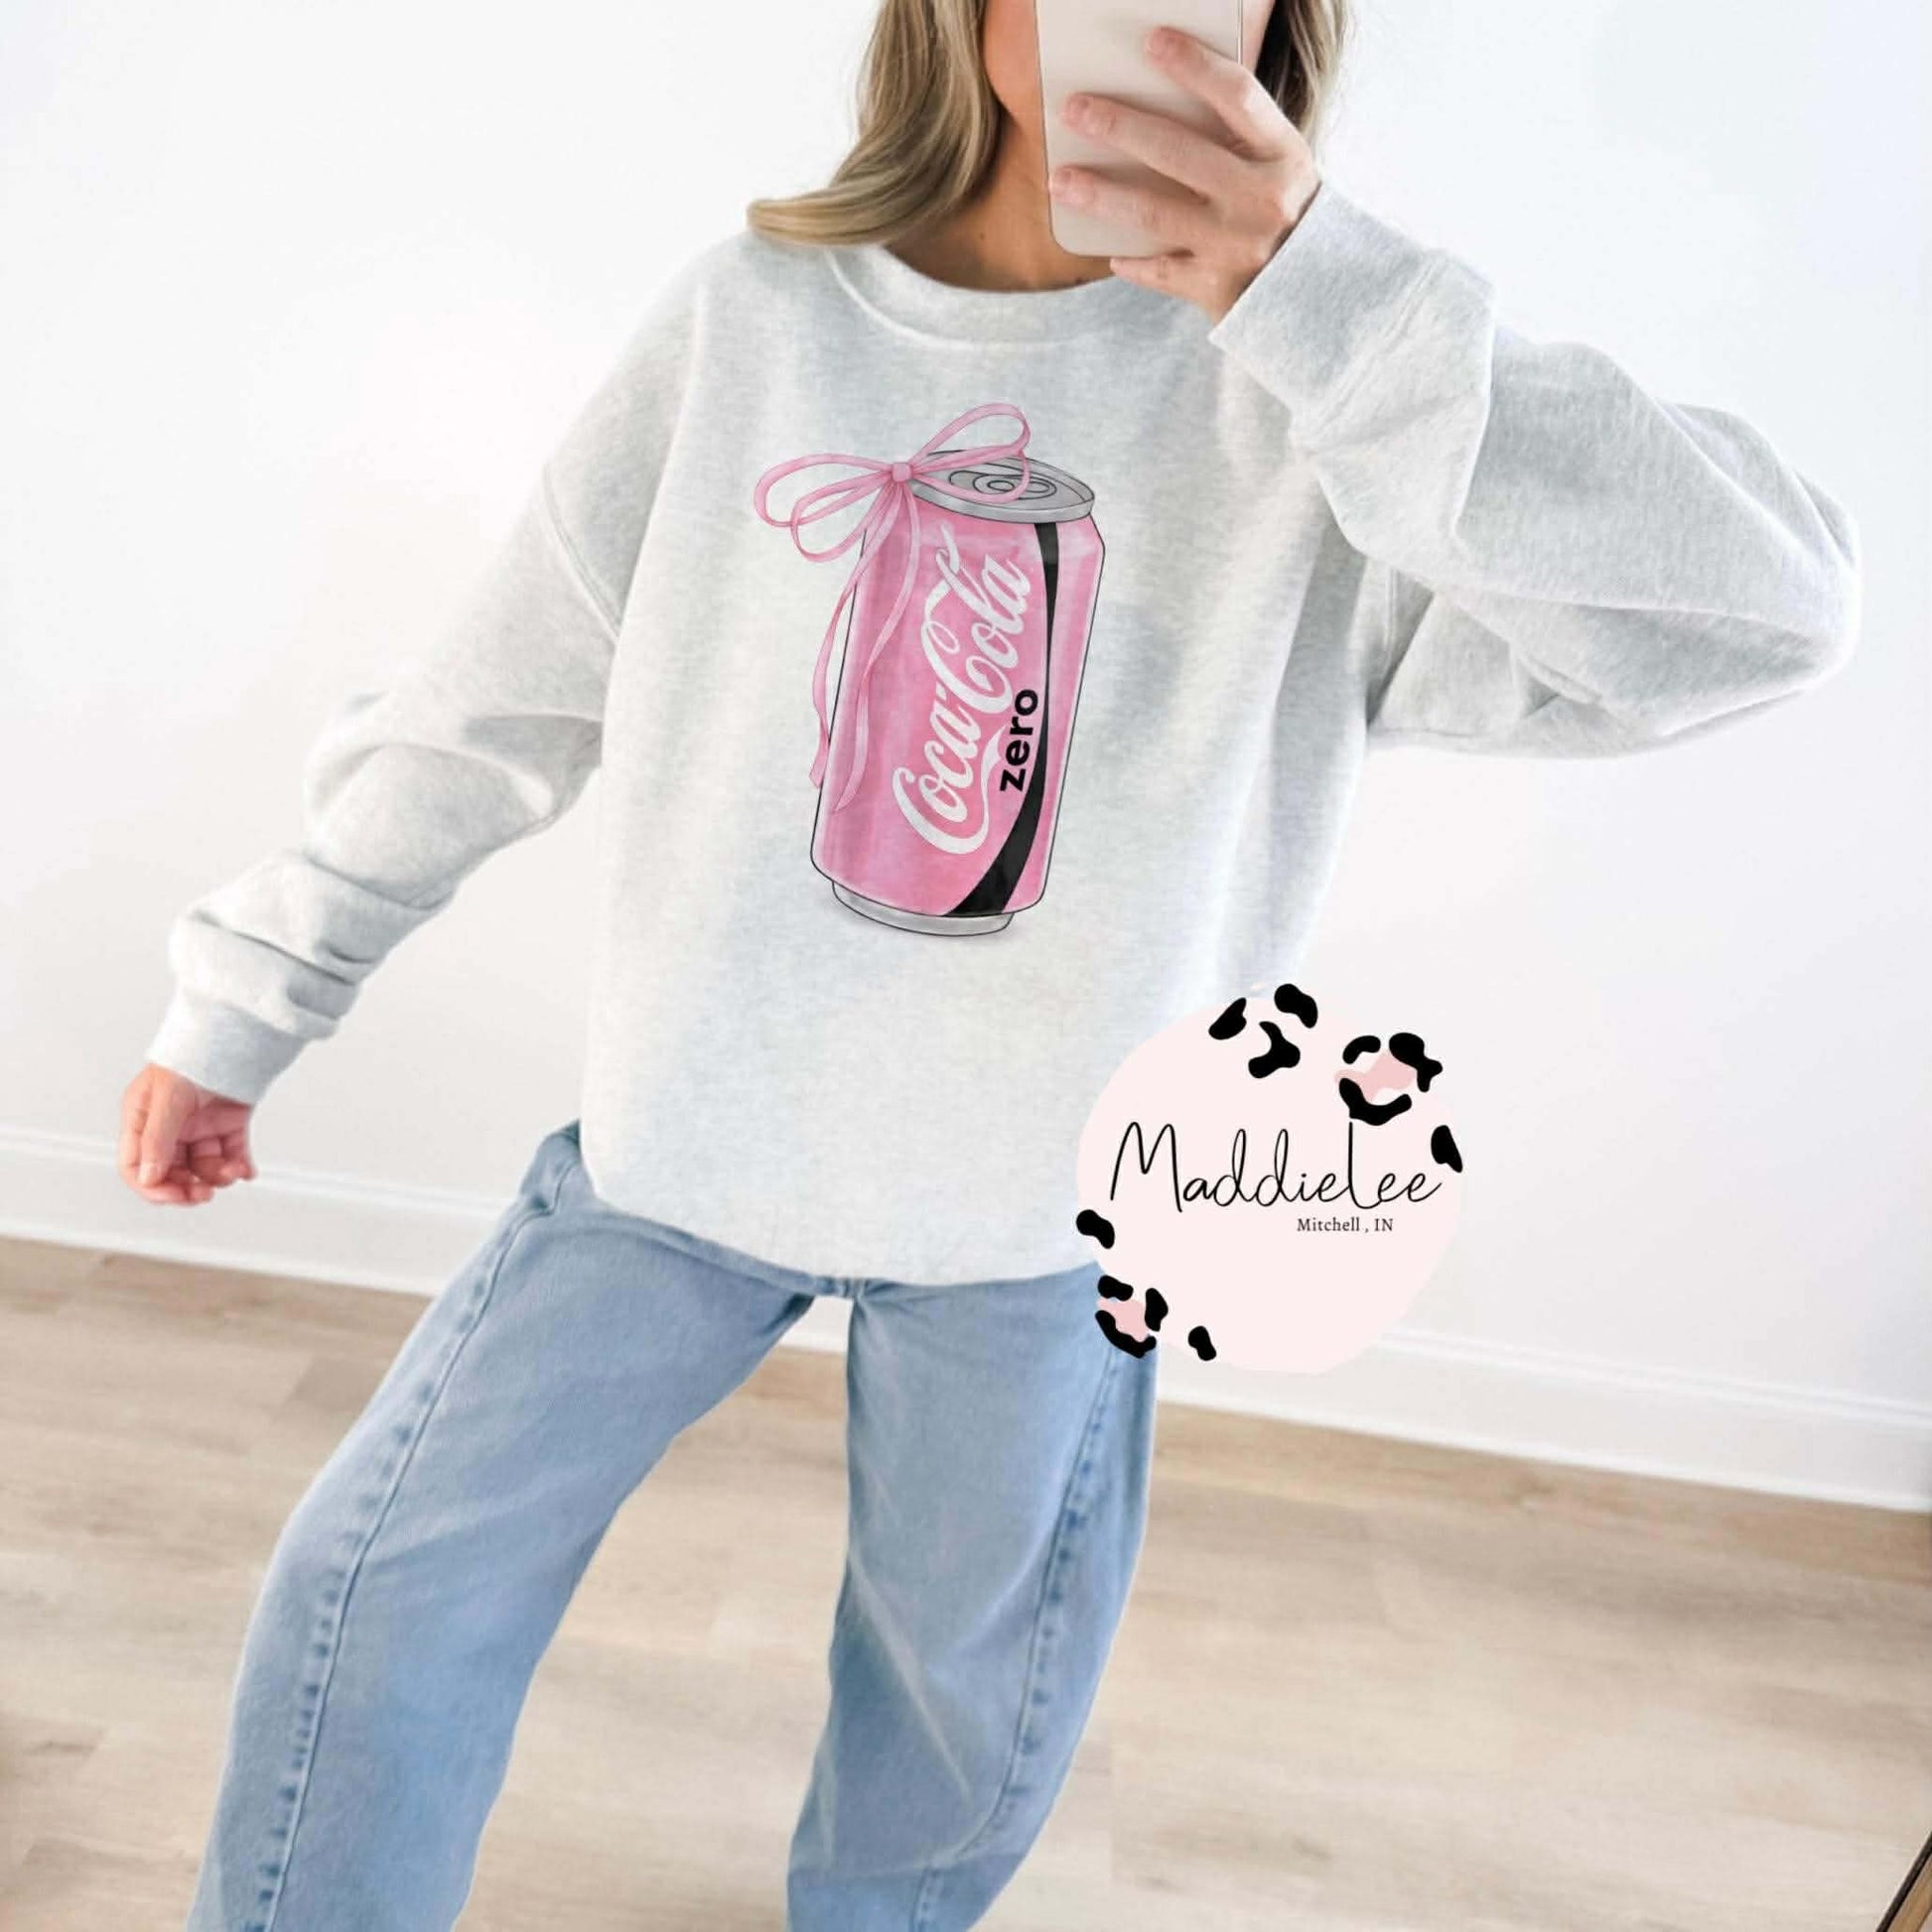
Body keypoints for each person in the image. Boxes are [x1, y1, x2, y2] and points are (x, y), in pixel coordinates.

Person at [118, 1, 1861, 1926]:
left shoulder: (1333, 406)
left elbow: (1769, 616)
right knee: (375, 1584)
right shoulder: (752, 326)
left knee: (954, 1725)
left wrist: (1330, 302)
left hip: (1048, 1218)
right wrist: (248, 999)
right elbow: (486, 704)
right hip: (682, 1145)